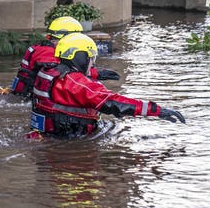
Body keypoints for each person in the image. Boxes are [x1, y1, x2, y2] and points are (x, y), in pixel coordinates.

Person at [30, 33, 185, 137]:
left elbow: (69, 78)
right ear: (81, 58)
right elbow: (113, 102)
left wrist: (96, 74)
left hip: (46, 133)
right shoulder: (78, 84)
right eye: (91, 58)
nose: (92, 63)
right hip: (70, 137)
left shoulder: (47, 71)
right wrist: (157, 110)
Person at [8, 16, 119, 97]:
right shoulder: (48, 53)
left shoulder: (43, 48)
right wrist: (93, 74)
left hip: (25, 93)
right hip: (26, 97)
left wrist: (95, 73)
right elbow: (63, 74)